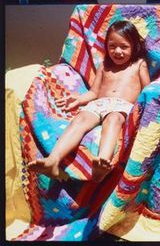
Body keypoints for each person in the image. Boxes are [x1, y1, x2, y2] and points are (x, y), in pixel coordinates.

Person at [28, 20, 150, 183]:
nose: (117, 51)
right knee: (80, 120)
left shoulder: (139, 64)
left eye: (124, 46)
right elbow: (93, 92)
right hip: (99, 104)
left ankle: (102, 164)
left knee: (113, 120)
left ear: (134, 46)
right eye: (112, 46)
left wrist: (145, 110)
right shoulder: (104, 65)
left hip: (121, 107)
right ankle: (53, 160)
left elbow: (148, 91)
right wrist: (78, 99)